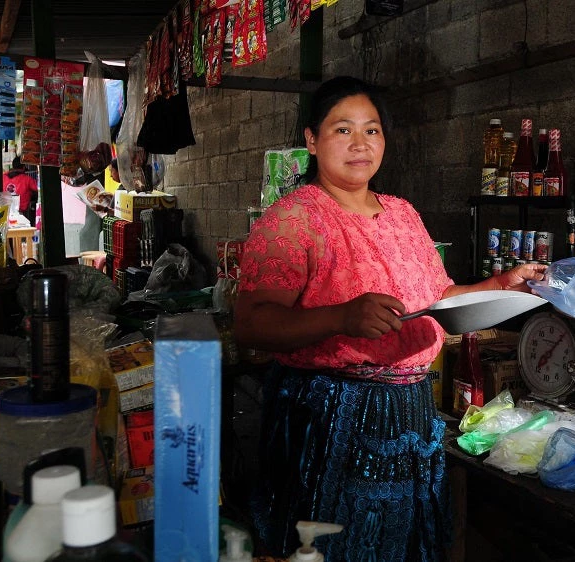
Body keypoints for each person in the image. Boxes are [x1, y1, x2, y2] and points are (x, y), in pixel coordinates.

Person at [234, 76, 546, 561]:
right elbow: (251, 324)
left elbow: (439, 296)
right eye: (343, 130)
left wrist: (499, 285)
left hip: (411, 413)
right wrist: (340, 317)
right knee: (332, 545)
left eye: (372, 130)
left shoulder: (402, 214)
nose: (360, 144)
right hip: (330, 417)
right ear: (312, 140)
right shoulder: (293, 219)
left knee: (404, 544)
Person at [4, 157, 38, 226]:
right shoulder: (27, 179)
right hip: (23, 215)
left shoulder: (3, 177)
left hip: (5, 213)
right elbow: (38, 190)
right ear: (23, 167)